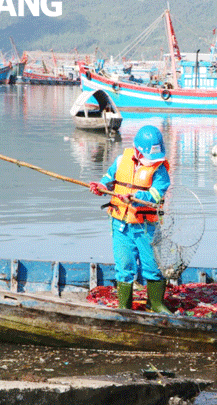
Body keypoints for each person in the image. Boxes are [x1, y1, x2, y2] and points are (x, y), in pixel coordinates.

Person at [89, 125, 173, 313]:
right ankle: (124, 307)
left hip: (146, 226)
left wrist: (135, 197)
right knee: (124, 265)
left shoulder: (159, 169)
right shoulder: (121, 160)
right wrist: (100, 186)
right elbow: (109, 178)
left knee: (152, 265)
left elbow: (157, 194)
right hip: (120, 224)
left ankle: (155, 303)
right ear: (137, 151)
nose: (151, 162)